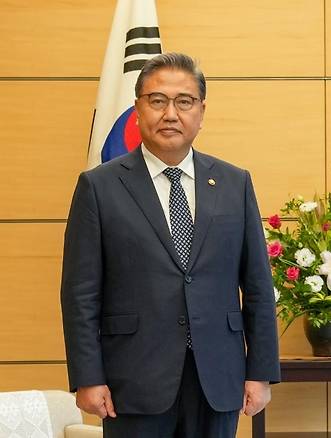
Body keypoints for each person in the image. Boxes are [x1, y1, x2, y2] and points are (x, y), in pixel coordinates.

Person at [61, 52, 280, 438]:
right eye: (157, 101)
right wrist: (87, 377)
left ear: (201, 110)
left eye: (184, 101)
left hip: (218, 377)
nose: (170, 114)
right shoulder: (99, 187)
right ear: (137, 108)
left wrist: (261, 372)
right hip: (133, 379)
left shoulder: (234, 182)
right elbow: (80, 293)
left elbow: (259, 286)